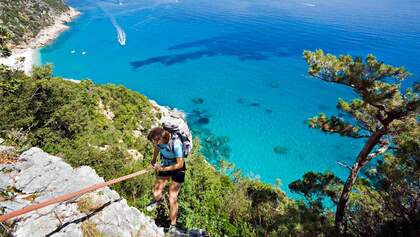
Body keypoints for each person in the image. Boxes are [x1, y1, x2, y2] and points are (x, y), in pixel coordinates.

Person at [146, 127, 186, 234]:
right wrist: (154, 159)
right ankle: (158, 200)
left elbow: (180, 164)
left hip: (178, 169)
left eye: (155, 141)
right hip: (165, 164)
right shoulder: (159, 141)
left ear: (161, 139)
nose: (154, 143)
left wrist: (163, 168)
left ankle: (173, 225)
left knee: (172, 197)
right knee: (156, 192)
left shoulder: (176, 143)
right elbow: (157, 148)